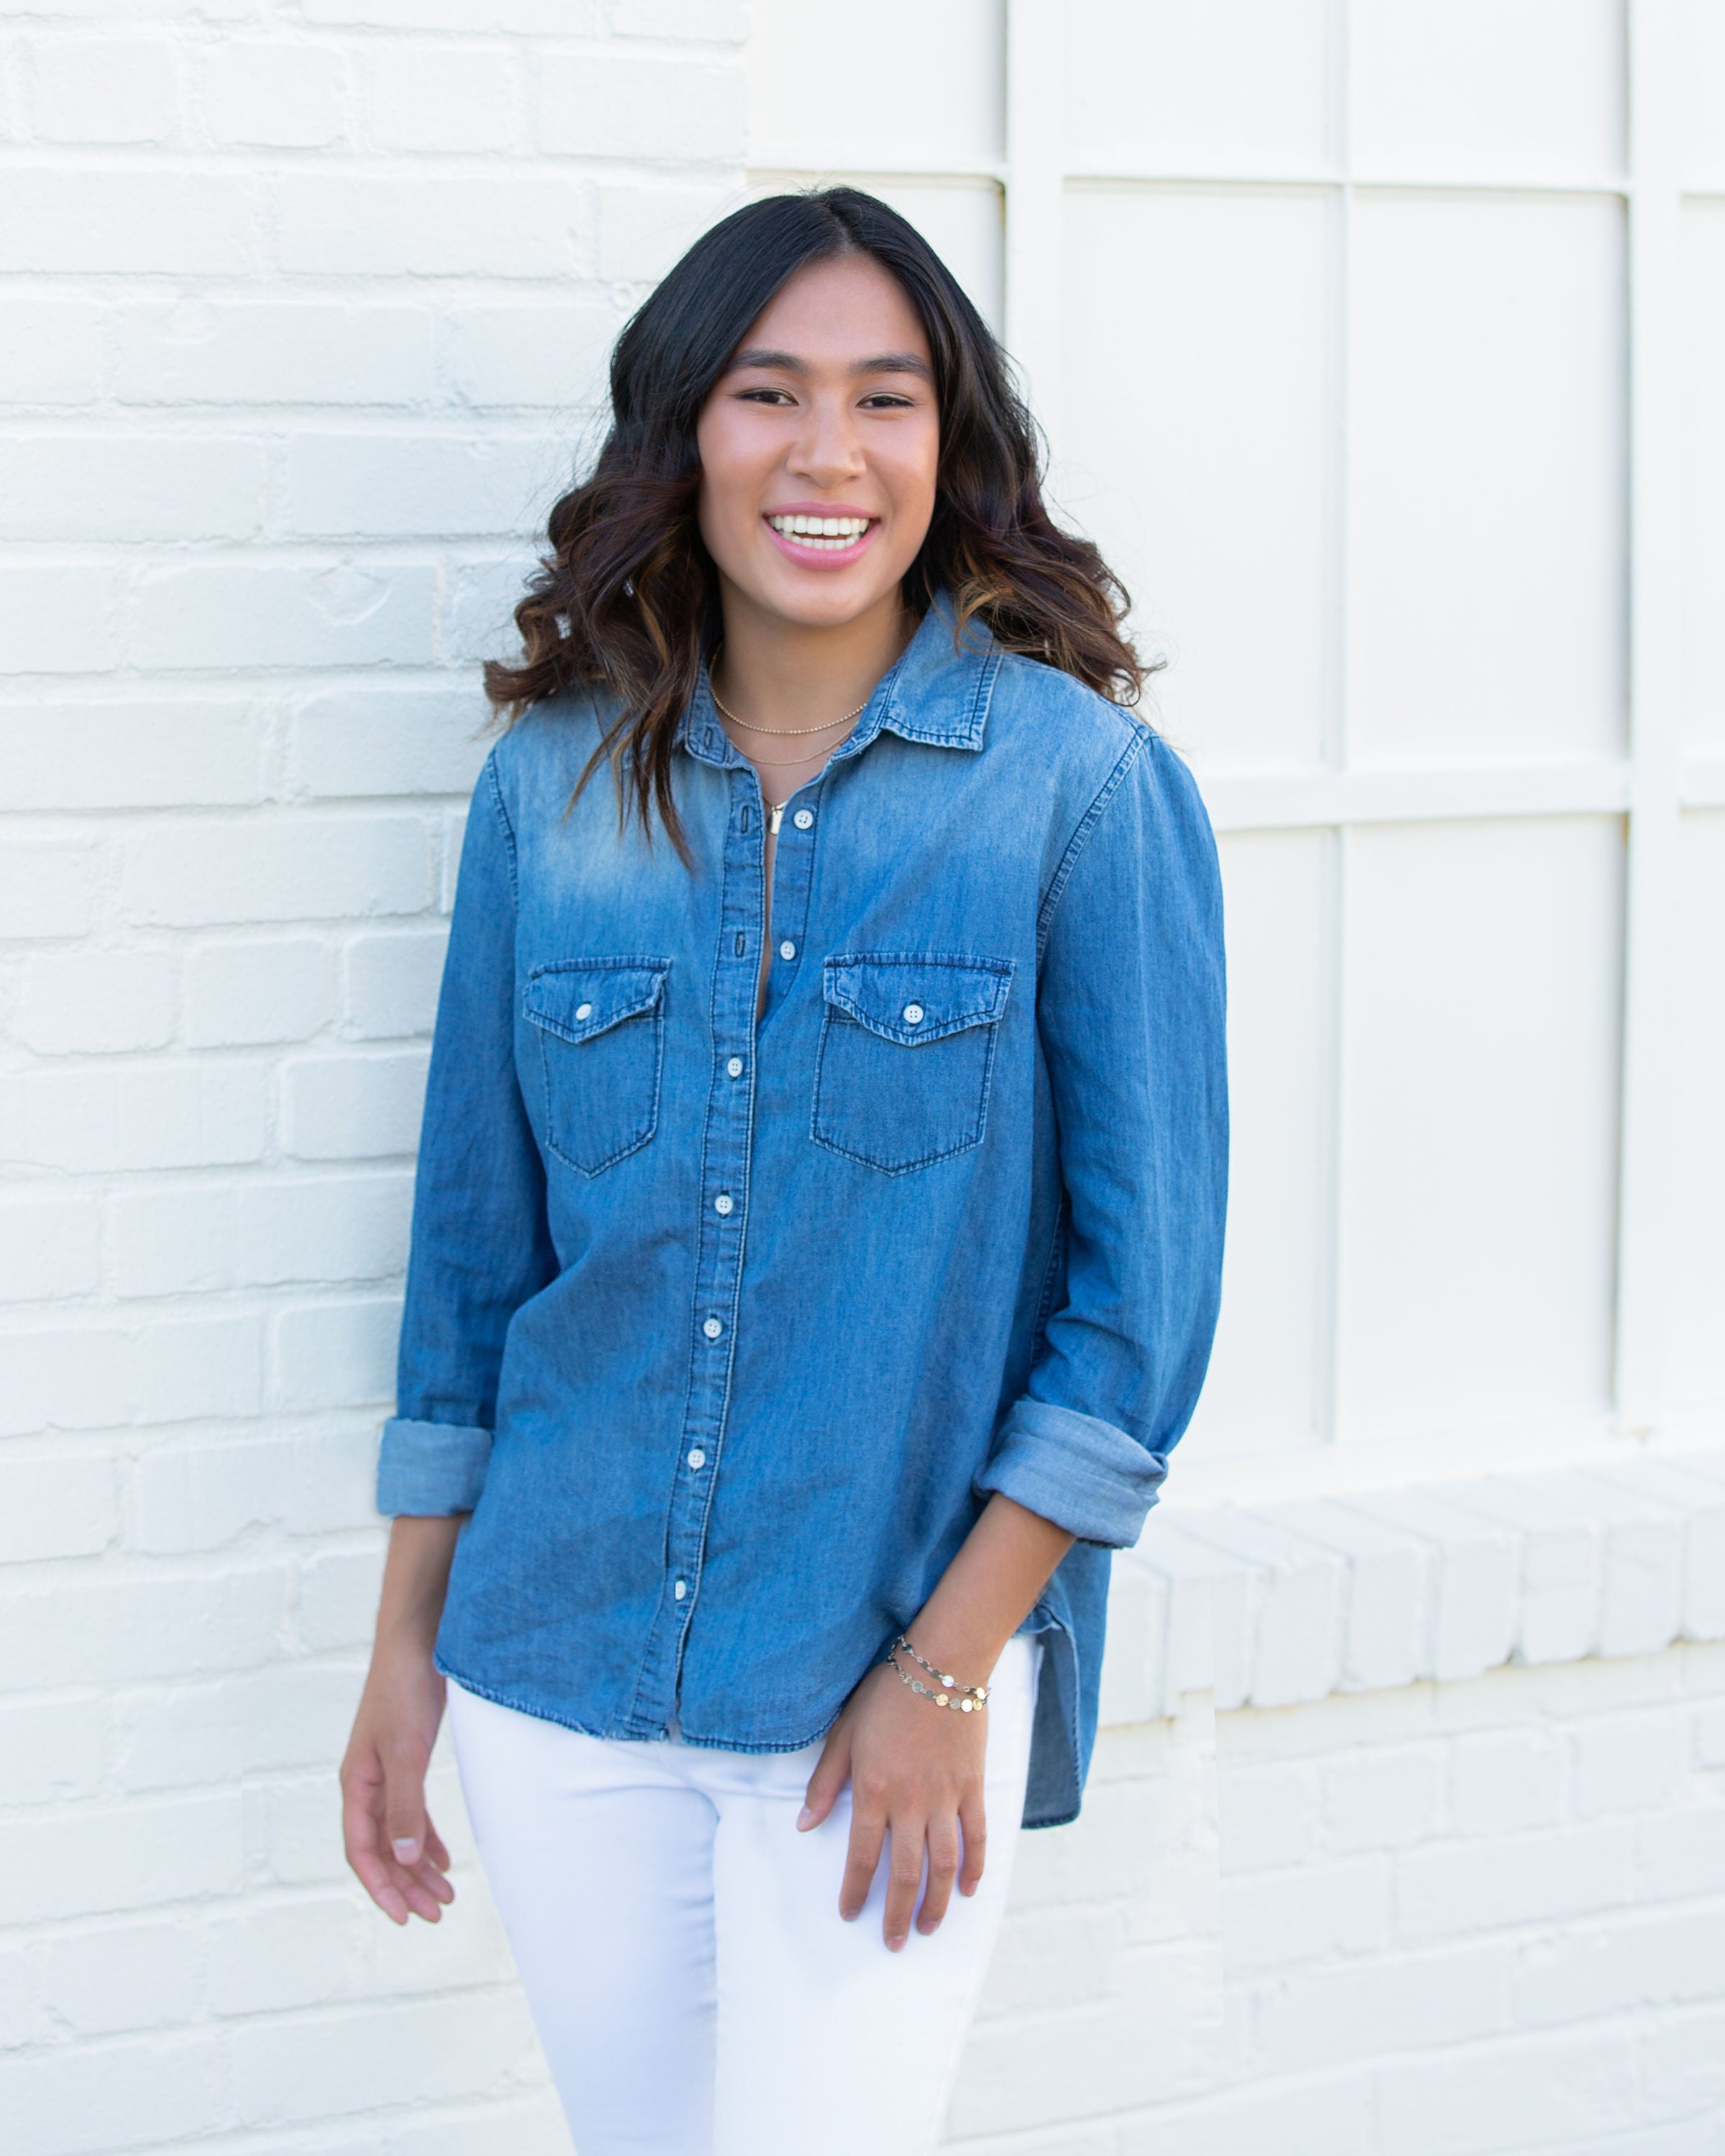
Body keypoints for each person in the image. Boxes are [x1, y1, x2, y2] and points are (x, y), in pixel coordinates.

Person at [340, 186, 1228, 2156]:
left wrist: (947, 1674)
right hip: (552, 1666)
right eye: (771, 393)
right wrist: (404, 1652)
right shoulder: (551, 789)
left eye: (886, 399)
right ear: (688, 432)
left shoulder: (1080, 794)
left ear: (949, 446)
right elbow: (472, 1259)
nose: (831, 453)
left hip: (878, 1684)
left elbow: (1136, 1322)